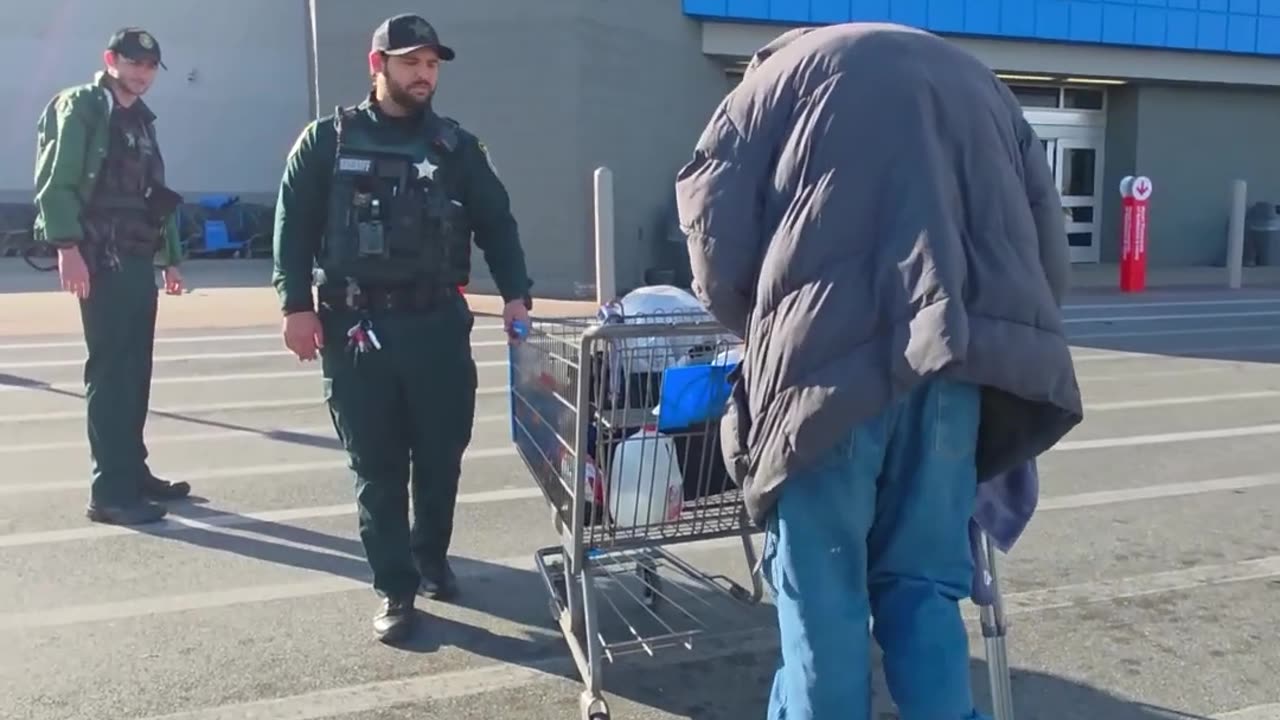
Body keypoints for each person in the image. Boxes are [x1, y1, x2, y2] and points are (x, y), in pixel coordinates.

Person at [675, 23, 1083, 720]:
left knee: (825, 602)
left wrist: (767, 327)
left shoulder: (767, 85)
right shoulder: (980, 83)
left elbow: (714, 239)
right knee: (925, 588)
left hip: (821, 378)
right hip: (952, 367)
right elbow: (1048, 251)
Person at [271, 13, 533, 644]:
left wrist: (517, 296)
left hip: (437, 321)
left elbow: (497, 222)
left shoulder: (456, 146)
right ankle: (395, 586)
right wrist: (295, 306)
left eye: (432, 64)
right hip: (356, 325)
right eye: (411, 62)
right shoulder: (326, 141)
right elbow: (293, 227)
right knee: (377, 463)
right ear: (378, 65)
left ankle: (430, 555)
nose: (424, 74)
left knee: (442, 454)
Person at [32, 27, 190, 527]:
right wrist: (66, 248)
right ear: (110, 60)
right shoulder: (81, 105)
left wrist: (170, 257)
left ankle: (131, 472)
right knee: (111, 370)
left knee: (135, 369)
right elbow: (56, 180)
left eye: (149, 65)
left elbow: (152, 193)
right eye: (133, 62)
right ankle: (110, 491)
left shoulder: (141, 120)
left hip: (138, 255)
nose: (141, 72)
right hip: (101, 255)